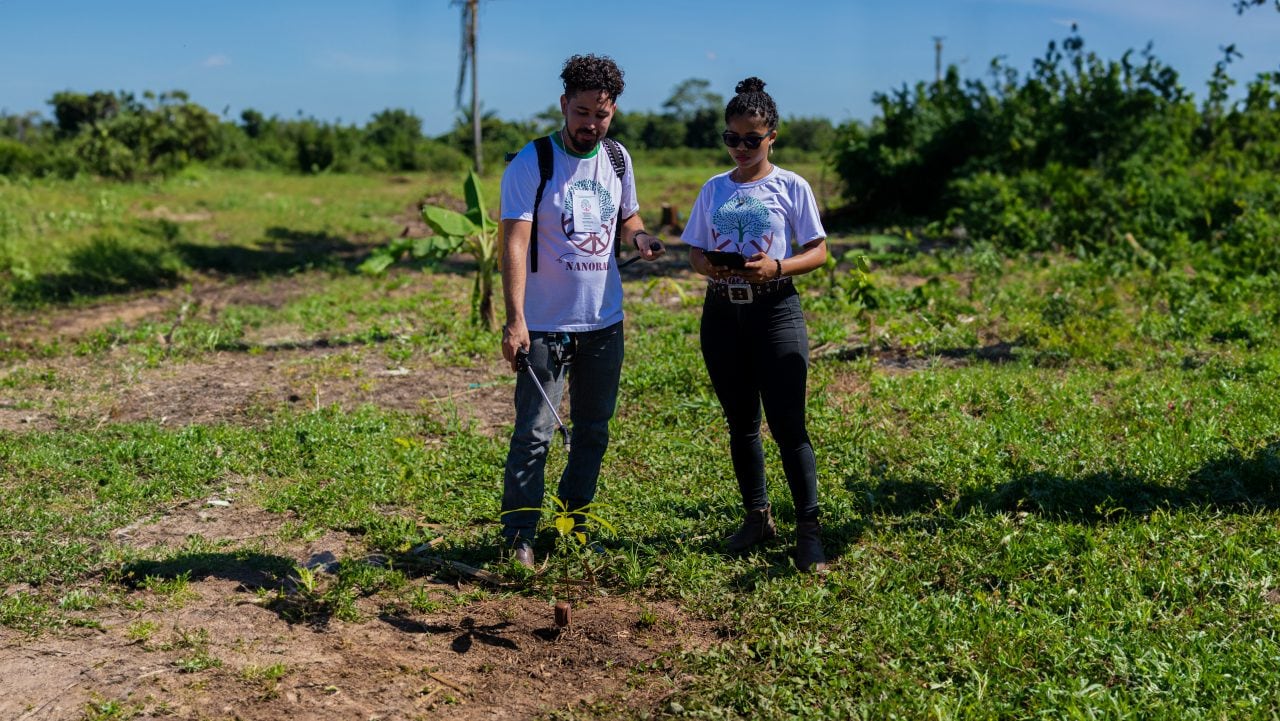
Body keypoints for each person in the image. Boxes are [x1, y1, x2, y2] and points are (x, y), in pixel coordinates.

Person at [497, 54, 664, 568]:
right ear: (564, 104)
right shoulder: (533, 162)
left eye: (603, 114)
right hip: (545, 326)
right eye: (583, 112)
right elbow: (515, 243)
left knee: (593, 430)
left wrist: (639, 236)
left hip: (603, 323)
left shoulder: (616, 158)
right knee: (534, 435)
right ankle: (519, 535)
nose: (592, 124)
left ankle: (572, 524)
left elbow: (628, 213)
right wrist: (515, 318)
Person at [681, 77, 830, 573]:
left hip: (775, 309)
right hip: (723, 314)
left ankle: (808, 531)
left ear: (772, 137)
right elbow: (696, 251)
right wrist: (709, 266)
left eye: (751, 139)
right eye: (731, 138)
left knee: (789, 424)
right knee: (742, 424)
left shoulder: (791, 186)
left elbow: (819, 251)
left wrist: (778, 267)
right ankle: (757, 517)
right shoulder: (713, 188)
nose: (740, 148)